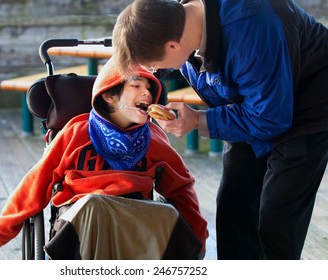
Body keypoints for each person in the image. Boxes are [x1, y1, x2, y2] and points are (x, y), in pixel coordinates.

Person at [112, 0, 328, 260]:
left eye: (154, 66)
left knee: (276, 219)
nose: (154, 72)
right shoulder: (177, 21)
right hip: (250, 102)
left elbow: (271, 117)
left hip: (308, 106)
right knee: (232, 206)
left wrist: (199, 121)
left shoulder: (249, 30)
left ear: (172, 45)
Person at [0, 56, 208, 260]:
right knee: (95, 205)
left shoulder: (153, 138)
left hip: (135, 222)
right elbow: (34, 186)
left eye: (150, 89)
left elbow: (181, 188)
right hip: (82, 220)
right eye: (136, 86)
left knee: (168, 214)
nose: (147, 93)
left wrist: (198, 241)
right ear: (109, 96)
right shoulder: (76, 133)